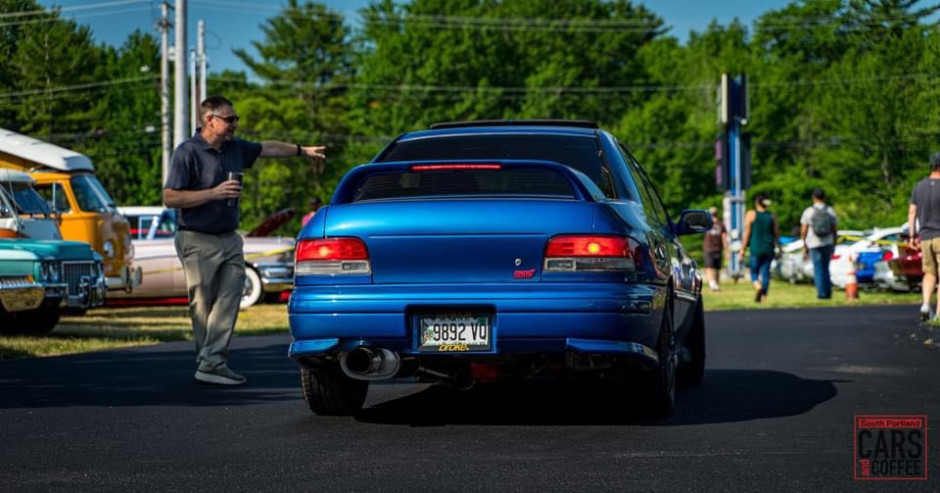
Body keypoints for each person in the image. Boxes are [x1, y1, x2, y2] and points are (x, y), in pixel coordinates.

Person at [163, 95, 326, 386]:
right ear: (209, 120)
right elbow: (170, 197)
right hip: (196, 238)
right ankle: (209, 362)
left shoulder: (234, 148)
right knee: (202, 304)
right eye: (229, 119)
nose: (235, 124)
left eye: (235, 119)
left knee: (230, 298)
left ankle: (212, 362)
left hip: (229, 238)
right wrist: (213, 193)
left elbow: (268, 148)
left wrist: (303, 150)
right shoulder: (187, 152)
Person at [909, 152, 940, 327]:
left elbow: (912, 212)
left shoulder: (918, 187)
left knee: (929, 273)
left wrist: (913, 236)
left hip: (925, 236)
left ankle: (925, 304)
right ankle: (938, 315)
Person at [738, 193, 780, 303]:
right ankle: (763, 298)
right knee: (765, 272)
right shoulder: (772, 216)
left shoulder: (751, 214)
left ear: (757, 202)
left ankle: (757, 286)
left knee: (754, 271)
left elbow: (747, 232)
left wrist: (742, 248)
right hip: (768, 248)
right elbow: (776, 233)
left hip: (756, 247)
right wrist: (779, 246)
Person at [800, 188, 838, 299]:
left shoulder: (809, 211)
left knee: (818, 269)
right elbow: (835, 229)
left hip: (814, 243)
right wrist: (834, 242)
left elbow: (804, 230)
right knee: (826, 268)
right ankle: (828, 293)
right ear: (824, 197)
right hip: (828, 242)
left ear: (813, 197)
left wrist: (804, 244)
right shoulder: (830, 210)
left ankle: (821, 294)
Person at [703, 206, 728, 292]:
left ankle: (714, 284)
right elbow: (724, 237)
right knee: (714, 267)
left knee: (711, 267)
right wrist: (726, 248)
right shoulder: (720, 224)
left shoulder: (707, 224)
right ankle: (714, 284)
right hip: (715, 248)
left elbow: (724, 237)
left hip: (710, 248)